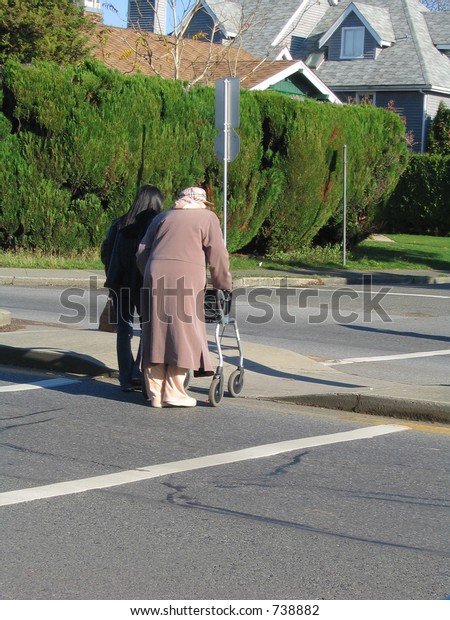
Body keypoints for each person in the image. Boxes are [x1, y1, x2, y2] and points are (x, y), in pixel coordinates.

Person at [136, 186, 232, 408]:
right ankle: (174, 392)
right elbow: (217, 254)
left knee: (155, 333)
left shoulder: (162, 217)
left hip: (154, 274)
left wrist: (150, 274)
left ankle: (155, 395)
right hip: (186, 277)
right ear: (201, 202)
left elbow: (142, 252)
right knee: (183, 332)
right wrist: (223, 284)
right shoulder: (208, 218)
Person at [101, 184, 164, 391]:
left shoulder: (119, 223)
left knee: (123, 329)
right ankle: (139, 371)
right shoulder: (156, 224)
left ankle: (126, 379)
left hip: (119, 282)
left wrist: (110, 273)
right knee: (147, 328)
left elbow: (105, 251)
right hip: (143, 282)